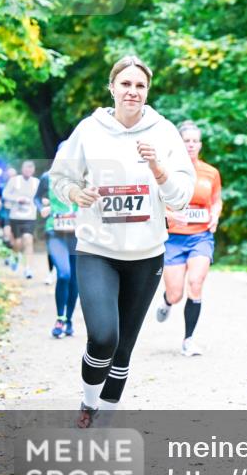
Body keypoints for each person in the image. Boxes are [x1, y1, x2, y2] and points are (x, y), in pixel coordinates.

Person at [50, 55, 195, 428]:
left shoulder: (163, 133)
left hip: (147, 255)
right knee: (103, 337)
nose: (132, 91)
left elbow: (181, 196)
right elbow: (60, 177)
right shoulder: (89, 129)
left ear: (148, 92)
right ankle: (87, 403)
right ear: (112, 87)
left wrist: (159, 169)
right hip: (97, 249)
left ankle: (105, 422)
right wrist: (75, 193)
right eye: (126, 84)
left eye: (140, 86)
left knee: (124, 348)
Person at [154, 121, 222, 357]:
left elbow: (216, 200)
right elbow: (156, 203)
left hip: (200, 237)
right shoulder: (167, 170)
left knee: (196, 283)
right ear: (180, 144)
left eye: (195, 141)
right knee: (175, 293)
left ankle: (188, 340)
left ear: (200, 144)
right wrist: (172, 215)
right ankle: (166, 301)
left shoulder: (211, 172)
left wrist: (215, 214)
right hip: (173, 238)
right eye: (187, 141)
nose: (191, 145)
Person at [35, 158, 80, 338]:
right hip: (55, 230)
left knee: (75, 278)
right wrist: (42, 208)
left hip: (77, 233)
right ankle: (60, 318)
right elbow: (37, 198)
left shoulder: (82, 176)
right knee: (64, 274)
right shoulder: (48, 177)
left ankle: (68, 319)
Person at [2, 160, 40, 278]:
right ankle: (16, 255)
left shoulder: (37, 182)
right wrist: (17, 199)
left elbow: (40, 197)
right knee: (17, 242)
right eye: (26, 168)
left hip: (30, 217)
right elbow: (5, 194)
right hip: (15, 216)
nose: (28, 170)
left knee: (28, 239)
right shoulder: (14, 180)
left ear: (33, 170)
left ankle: (28, 269)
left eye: (30, 168)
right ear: (22, 169)